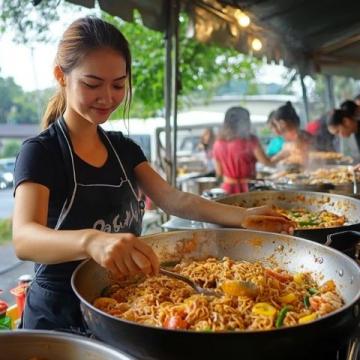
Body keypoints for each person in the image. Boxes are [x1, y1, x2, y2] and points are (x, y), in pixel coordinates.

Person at [12, 17, 294, 332]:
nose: (107, 97)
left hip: (123, 308)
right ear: (61, 76)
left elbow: (174, 199)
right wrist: (91, 241)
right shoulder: (42, 152)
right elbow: (24, 239)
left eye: (118, 84)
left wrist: (241, 216)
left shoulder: (124, 149)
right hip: (58, 316)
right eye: (92, 84)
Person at [212, 106, 273, 194]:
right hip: (248, 189)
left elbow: (219, 173)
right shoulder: (251, 140)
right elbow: (266, 162)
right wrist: (282, 155)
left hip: (227, 190)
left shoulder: (218, 143)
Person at [270, 102, 313, 167]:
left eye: (277, 124)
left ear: (282, 123)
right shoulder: (287, 136)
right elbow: (285, 153)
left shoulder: (301, 136)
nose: (277, 127)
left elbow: (306, 159)